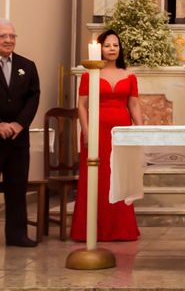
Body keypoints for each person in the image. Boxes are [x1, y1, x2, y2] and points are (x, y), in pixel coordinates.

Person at [70, 29, 142, 241]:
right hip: (96, 132)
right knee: (96, 178)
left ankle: (121, 229)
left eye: (116, 45)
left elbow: (134, 104)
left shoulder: (129, 75)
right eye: (108, 45)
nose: (112, 49)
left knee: (119, 176)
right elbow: (82, 105)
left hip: (121, 132)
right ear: (100, 48)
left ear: (120, 49)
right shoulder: (89, 74)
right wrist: (86, 130)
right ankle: (90, 230)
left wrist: (140, 130)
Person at [0, 19, 40, 247]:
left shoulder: (28, 65)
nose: (8, 40)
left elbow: (34, 97)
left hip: (18, 139)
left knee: (17, 188)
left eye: (12, 36)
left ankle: (17, 235)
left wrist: (18, 124)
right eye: (3, 36)